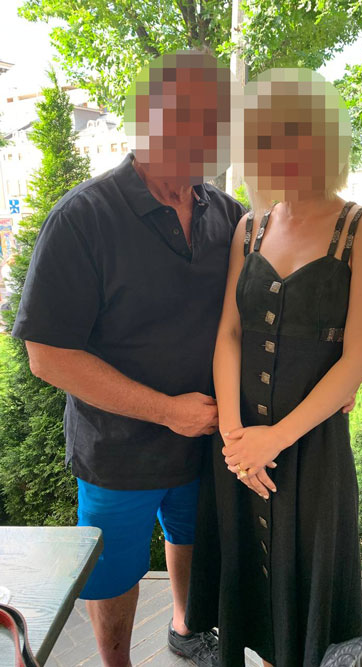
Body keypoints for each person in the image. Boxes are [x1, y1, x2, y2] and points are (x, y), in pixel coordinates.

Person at [11, 51, 242, 667]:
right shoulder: (83, 218)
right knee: (112, 573)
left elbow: (271, 305)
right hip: (117, 450)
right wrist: (167, 410)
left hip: (206, 440)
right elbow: (48, 355)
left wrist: (336, 370)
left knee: (190, 539)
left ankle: (187, 627)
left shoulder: (229, 216)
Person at [185, 69, 362, 667]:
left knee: (308, 605)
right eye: (266, 137)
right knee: (247, 592)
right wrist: (235, 440)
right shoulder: (249, 228)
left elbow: (357, 360)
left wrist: (273, 439)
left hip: (311, 452)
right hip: (238, 449)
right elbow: (229, 333)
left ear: (326, 139)